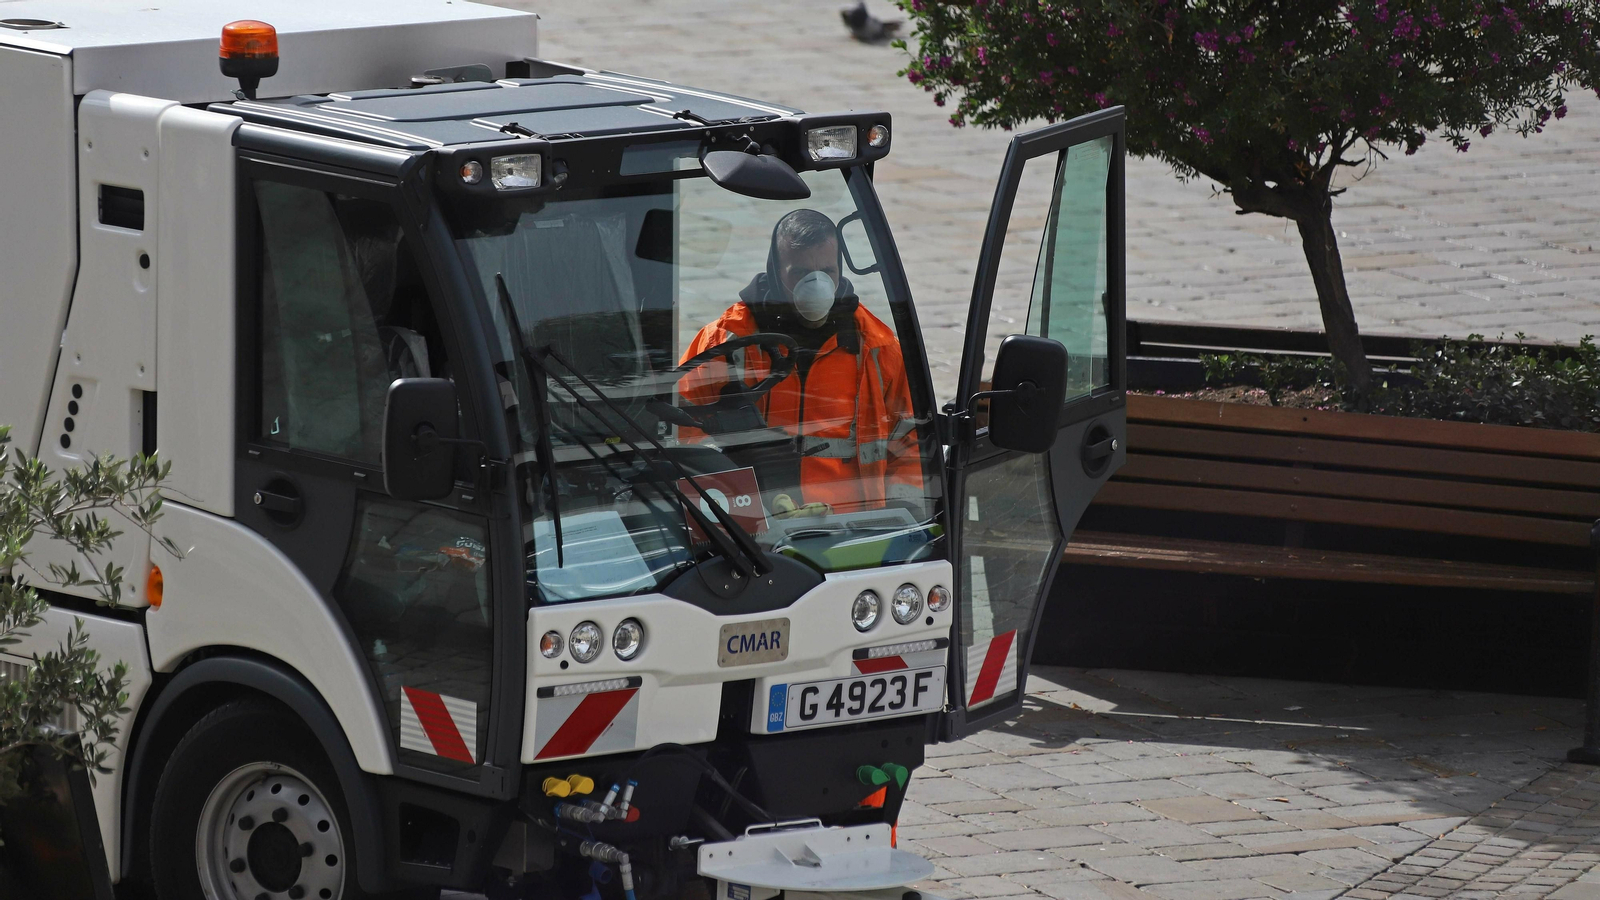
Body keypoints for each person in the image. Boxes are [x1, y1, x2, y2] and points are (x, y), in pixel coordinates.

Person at [678, 208, 922, 516]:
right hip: (756, 527)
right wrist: (736, 505)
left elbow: (911, 442)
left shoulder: (877, 348)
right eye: (800, 273)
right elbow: (682, 433)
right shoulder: (725, 342)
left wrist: (903, 515)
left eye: (827, 271)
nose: (816, 284)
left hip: (853, 528)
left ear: (840, 270)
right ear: (776, 270)